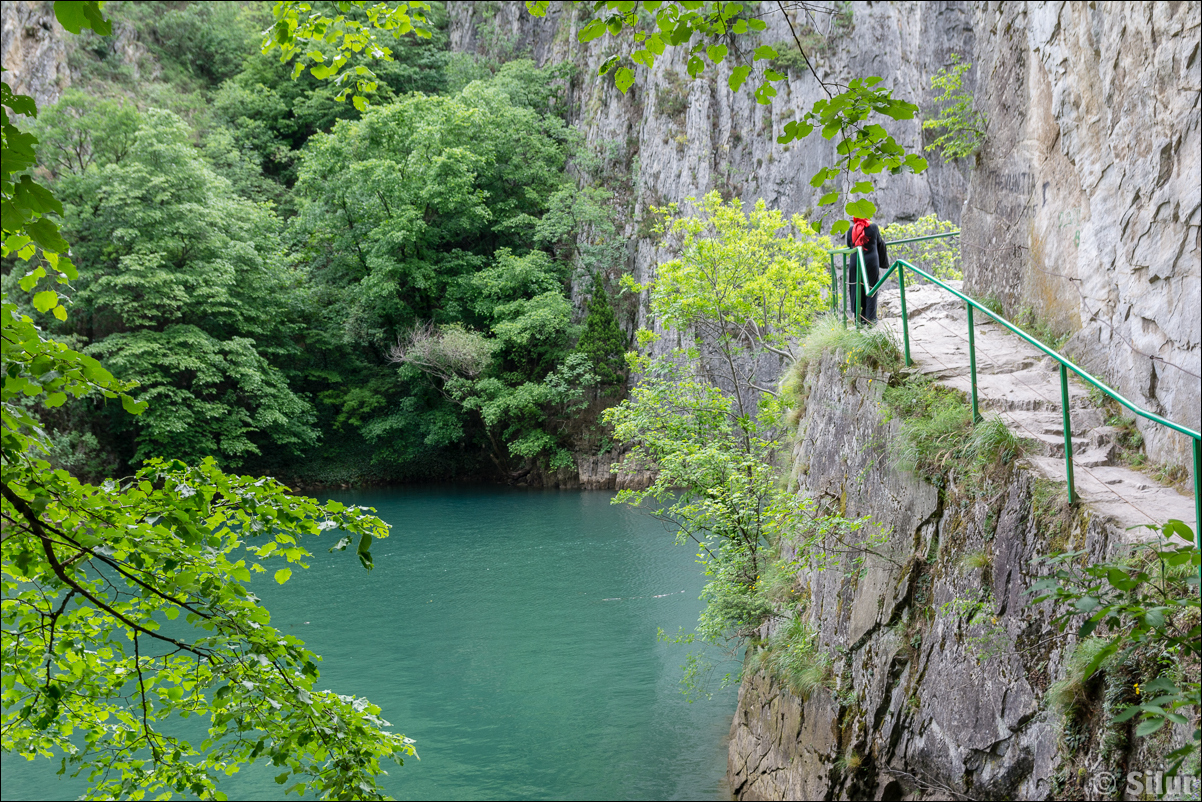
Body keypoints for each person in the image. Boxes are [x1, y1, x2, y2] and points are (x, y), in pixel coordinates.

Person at [846, 216, 889, 324]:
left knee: (856, 288)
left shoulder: (851, 229)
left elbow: (849, 244)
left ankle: (859, 318)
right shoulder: (873, 227)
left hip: (855, 262)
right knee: (871, 288)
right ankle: (870, 319)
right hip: (870, 263)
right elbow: (879, 241)